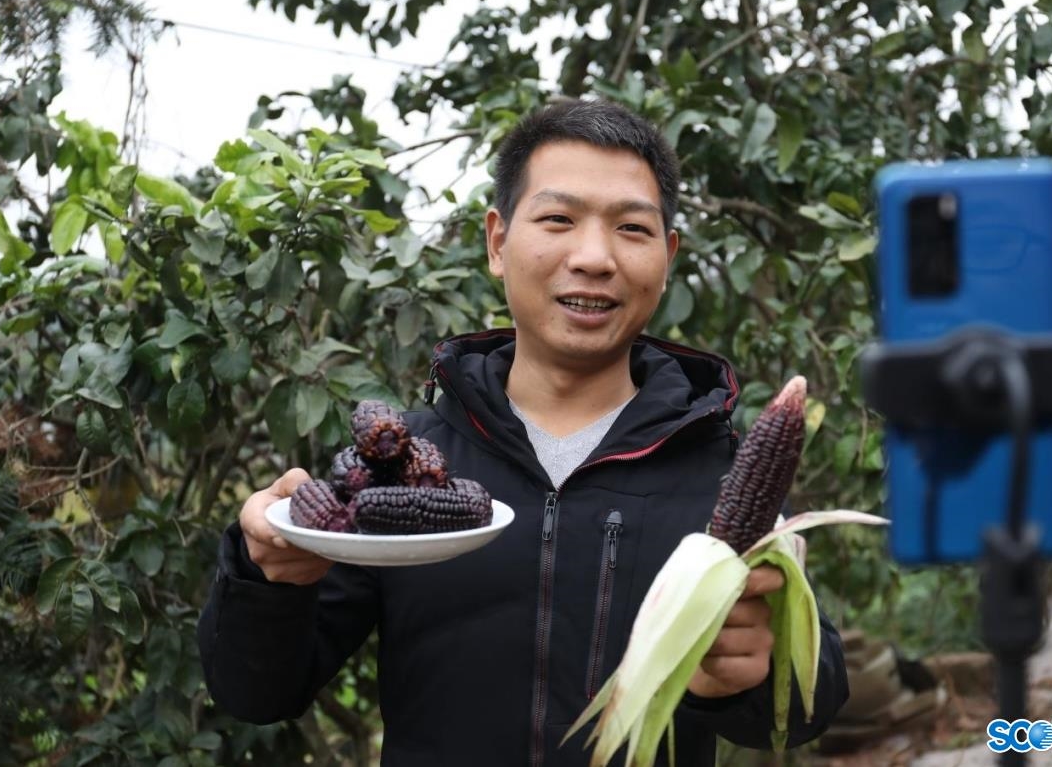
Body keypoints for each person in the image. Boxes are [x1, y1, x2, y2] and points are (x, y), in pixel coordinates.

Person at [197, 98, 849, 766]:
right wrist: (264, 579)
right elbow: (256, 693)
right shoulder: (403, 467)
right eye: (558, 219)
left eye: (631, 228)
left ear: (667, 255)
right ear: (498, 243)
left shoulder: (721, 473)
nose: (594, 257)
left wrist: (746, 675)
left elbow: (806, 708)